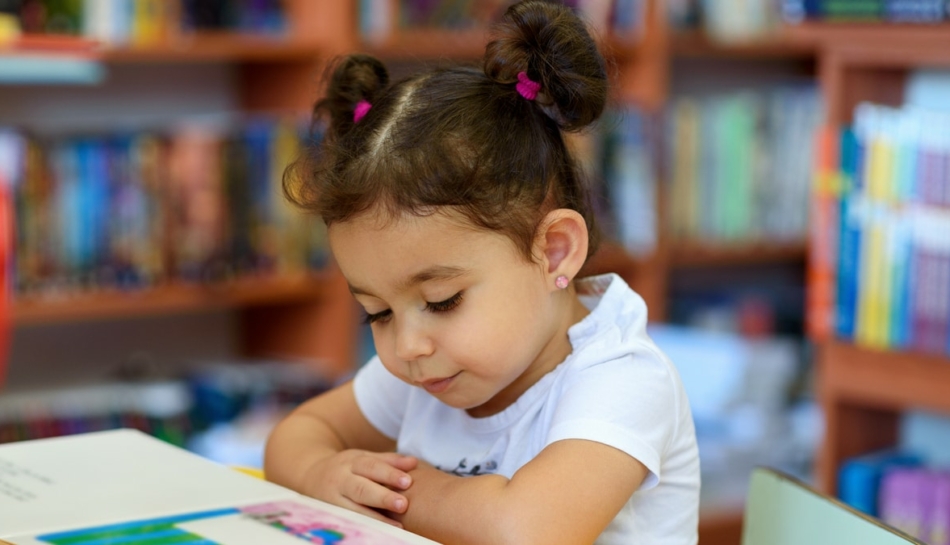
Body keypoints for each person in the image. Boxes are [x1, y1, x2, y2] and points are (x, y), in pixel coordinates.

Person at [264, 1, 700, 543]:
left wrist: (393, 492)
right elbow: (297, 435)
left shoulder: (622, 378)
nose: (407, 346)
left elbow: (526, 531)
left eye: (442, 300)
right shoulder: (430, 367)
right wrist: (322, 474)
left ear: (555, 252)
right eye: (376, 314)